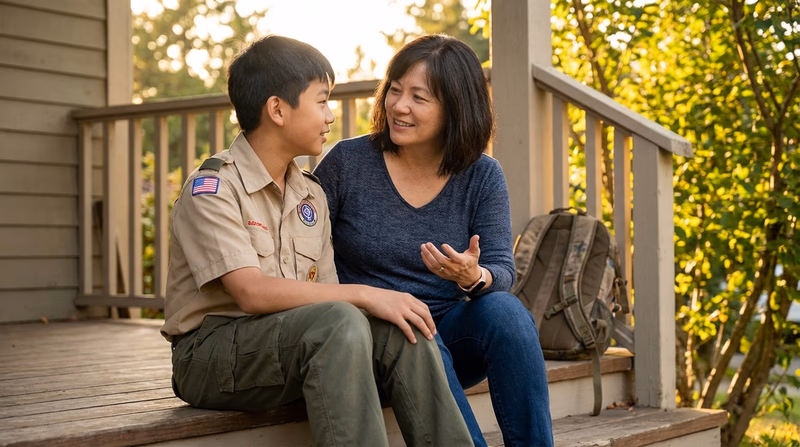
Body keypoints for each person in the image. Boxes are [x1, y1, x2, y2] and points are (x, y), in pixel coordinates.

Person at [160, 35, 473, 447]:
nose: (330, 116)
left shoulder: (310, 194)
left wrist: (380, 304)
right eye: (322, 101)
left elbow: (326, 296)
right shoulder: (214, 189)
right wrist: (367, 294)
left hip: (292, 344)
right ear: (277, 110)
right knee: (343, 317)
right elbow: (251, 293)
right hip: (211, 355)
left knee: (404, 327)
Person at [314, 34, 554, 447]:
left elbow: (501, 270)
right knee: (417, 336)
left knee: (507, 313)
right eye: (394, 90)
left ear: (455, 109)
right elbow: (303, 250)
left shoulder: (482, 175)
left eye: (419, 97)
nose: (399, 106)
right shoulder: (347, 163)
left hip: (451, 334)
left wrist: (473, 275)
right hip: (373, 340)